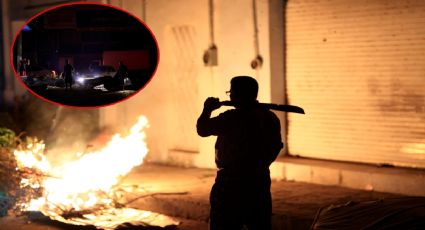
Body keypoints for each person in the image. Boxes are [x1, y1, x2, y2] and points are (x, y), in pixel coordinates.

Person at [197, 76, 283, 229]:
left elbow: (202, 129)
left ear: (236, 94)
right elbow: (276, 147)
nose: (229, 95)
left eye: (231, 92)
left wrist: (207, 109)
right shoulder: (270, 117)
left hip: (231, 183)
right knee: (259, 224)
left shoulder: (232, 118)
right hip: (260, 181)